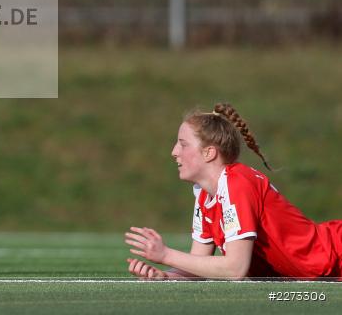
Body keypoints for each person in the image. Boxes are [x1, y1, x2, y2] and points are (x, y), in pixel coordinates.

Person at [125, 103, 342, 279]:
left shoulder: (237, 182)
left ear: (209, 152)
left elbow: (235, 268)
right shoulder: (204, 193)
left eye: (183, 144)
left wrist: (166, 254)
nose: (174, 152)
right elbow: (197, 266)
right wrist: (163, 276)